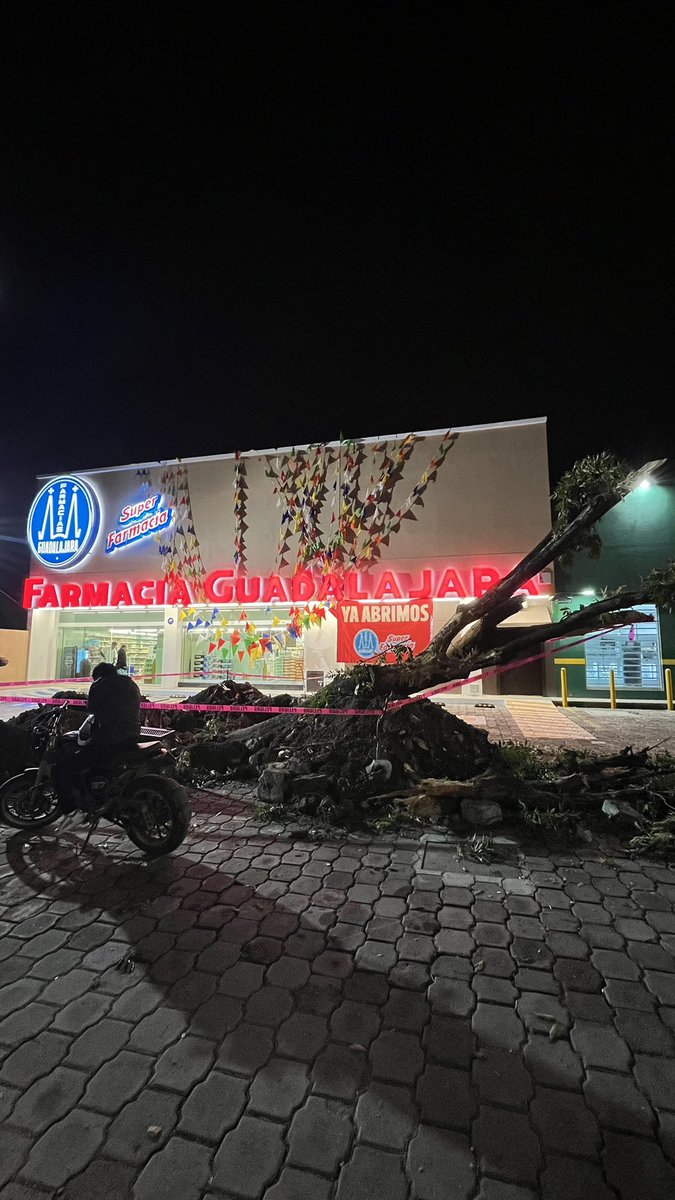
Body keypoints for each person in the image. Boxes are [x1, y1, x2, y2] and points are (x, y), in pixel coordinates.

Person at [53, 662, 142, 814]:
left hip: (108, 739)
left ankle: (70, 804)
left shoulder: (99, 685)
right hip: (132, 735)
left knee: (66, 764)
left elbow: (92, 710)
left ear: (98, 675)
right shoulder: (131, 684)